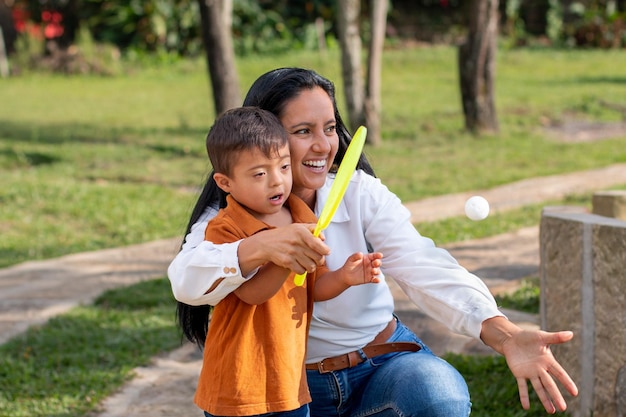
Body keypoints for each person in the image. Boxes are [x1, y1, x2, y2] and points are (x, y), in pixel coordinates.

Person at [168, 68, 579, 416]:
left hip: (379, 364)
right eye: (302, 131)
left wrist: (503, 334)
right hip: (287, 388)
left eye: (329, 128)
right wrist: (263, 247)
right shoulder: (230, 214)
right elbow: (186, 279)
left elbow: (423, 264)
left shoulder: (358, 192)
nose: (324, 146)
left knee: (438, 394)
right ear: (268, 136)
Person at [196, 106, 383, 417]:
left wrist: (345, 277)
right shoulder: (225, 227)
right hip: (238, 386)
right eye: (259, 174)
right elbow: (251, 294)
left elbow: (314, 286)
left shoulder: (300, 213)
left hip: (288, 383)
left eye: (283, 167)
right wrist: (286, 256)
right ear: (225, 182)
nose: (276, 182)